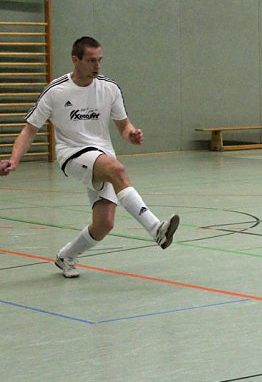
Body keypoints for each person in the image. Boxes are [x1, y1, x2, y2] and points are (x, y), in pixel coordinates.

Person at [0, 37, 180, 278]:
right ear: (76, 60)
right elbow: (29, 130)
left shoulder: (110, 88)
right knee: (118, 171)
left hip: (102, 153)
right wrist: (14, 159)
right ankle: (156, 229)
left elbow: (123, 126)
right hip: (72, 154)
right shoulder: (56, 91)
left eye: (100, 60)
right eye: (91, 60)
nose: (97, 66)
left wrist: (132, 135)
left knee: (104, 223)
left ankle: (65, 256)